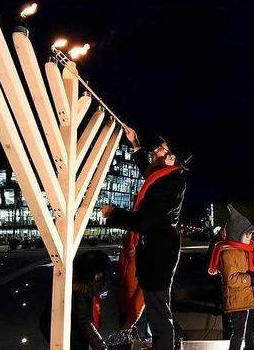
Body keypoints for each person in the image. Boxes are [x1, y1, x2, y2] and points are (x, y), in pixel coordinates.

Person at [101, 126, 189, 350]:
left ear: (171, 158)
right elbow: (147, 171)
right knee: (154, 307)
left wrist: (114, 214)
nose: (156, 150)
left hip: (160, 252)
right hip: (155, 249)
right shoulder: (164, 176)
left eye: (161, 149)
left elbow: (147, 220)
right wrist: (135, 143)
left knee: (159, 312)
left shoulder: (173, 182)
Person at [208, 206, 254, 350]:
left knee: (252, 330)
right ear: (237, 234)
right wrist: (252, 278)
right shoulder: (228, 253)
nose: (250, 237)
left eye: (251, 234)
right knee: (238, 333)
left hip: (250, 298)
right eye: (247, 234)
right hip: (238, 300)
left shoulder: (248, 249)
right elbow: (231, 279)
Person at [40, 250, 110, 350]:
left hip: (59, 328)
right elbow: (85, 322)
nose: (101, 276)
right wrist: (101, 346)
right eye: (99, 274)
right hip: (63, 332)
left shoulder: (73, 280)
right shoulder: (81, 290)